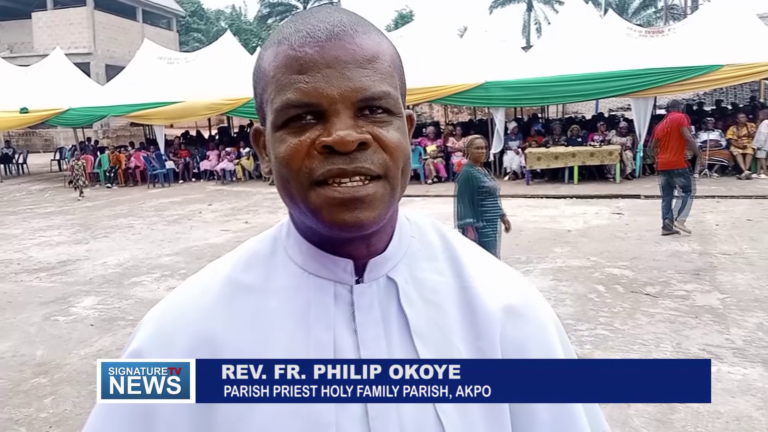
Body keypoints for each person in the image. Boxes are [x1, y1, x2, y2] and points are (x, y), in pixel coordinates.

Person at [83, 7, 608, 432]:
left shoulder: (507, 310)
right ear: (263, 148)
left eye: (374, 112)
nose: (344, 137)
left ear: (406, 130)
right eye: (305, 117)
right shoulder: (175, 335)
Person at [648, 100, 700, 236]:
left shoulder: (660, 125)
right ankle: (679, 219)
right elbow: (688, 137)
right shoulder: (680, 117)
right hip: (677, 163)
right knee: (688, 191)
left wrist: (657, 159)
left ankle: (667, 226)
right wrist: (699, 156)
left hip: (662, 164)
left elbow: (651, 147)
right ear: (679, 107)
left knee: (667, 196)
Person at [455, 135, 511, 257]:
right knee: (483, 257)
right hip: (479, 226)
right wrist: (469, 228)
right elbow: (463, 201)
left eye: (484, 148)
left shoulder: (483, 171)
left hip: (491, 222)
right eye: (478, 148)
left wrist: (502, 216)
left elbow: (491, 196)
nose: (482, 151)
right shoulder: (467, 173)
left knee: (492, 254)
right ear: (468, 150)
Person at [726, 112, 757, 180]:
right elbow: (731, 140)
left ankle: (745, 171)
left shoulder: (751, 125)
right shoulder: (732, 128)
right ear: (737, 120)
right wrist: (739, 145)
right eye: (742, 117)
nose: (744, 119)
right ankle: (745, 171)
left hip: (748, 143)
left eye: (745, 117)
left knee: (750, 152)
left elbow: (754, 136)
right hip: (736, 144)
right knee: (737, 153)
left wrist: (753, 133)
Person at [753, 109, 768, 178]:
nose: (758, 116)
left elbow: (763, 133)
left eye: (760, 115)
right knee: (758, 157)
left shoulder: (765, 122)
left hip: (762, 144)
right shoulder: (764, 122)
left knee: (762, 158)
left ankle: (765, 173)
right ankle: (758, 172)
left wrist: (759, 144)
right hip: (764, 143)